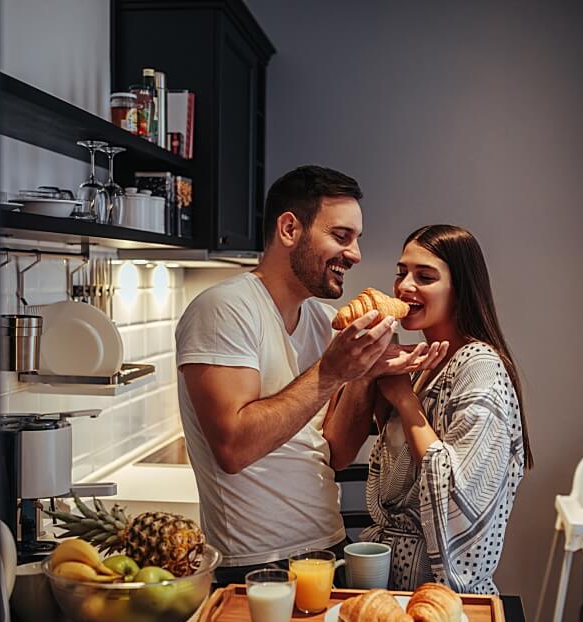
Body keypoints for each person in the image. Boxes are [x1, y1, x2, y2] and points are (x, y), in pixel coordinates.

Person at [175, 165, 444, 585]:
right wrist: (332, 370)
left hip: (327, 549)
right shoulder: (224, 309)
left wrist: (361, 376)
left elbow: (334, 453)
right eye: (341, 237)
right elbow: (233, 449)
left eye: (356, 240)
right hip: (255, 565)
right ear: (288, 229)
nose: (354, 255)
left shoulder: (324, 322)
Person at [343, 224, 532, 595]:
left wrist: (403, 399)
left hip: (444, 594)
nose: (404, 286)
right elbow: (390, 463)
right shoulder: (425, 364)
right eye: (401, 273)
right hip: (394, 585)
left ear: (460, 291)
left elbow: (462, 492)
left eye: (424, 277)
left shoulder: (479, 365)